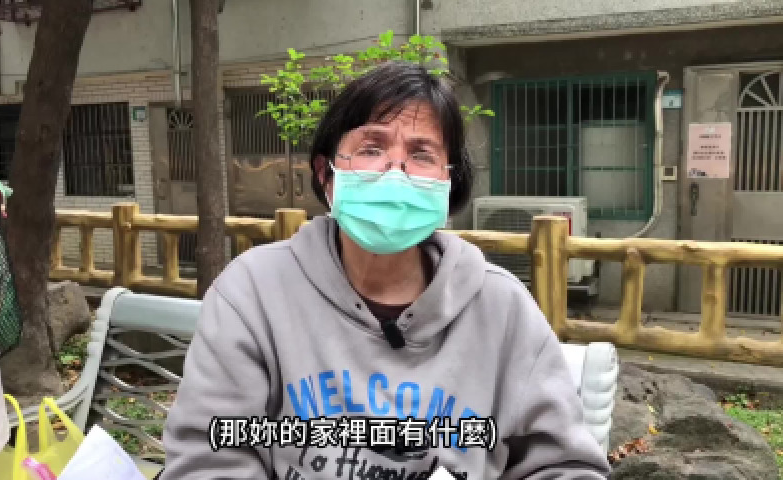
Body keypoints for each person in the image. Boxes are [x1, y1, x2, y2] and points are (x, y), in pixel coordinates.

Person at [160, 61, 612, 479]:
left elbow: (564, 466)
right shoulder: (252, 294)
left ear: (448, 181)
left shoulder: (502, 309)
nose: (395, 172)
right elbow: (208, 458)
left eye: (422, 154)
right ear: (326, 173)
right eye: (372, 148)